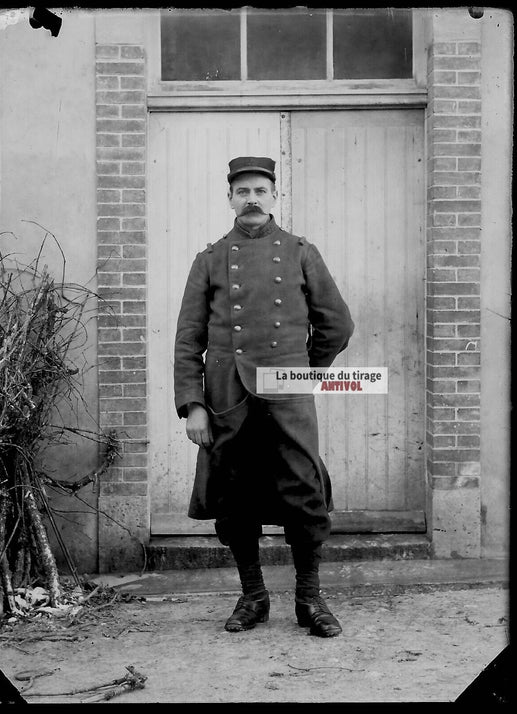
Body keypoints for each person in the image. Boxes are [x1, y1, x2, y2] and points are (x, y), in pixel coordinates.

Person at [174, 156, 354, 637]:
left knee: (303, 490)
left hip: (285, 395)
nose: (251, 198)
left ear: (274, 196)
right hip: (227, 396)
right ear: (229, 198)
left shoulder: (299, 252)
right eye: (242, 191)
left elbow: (337, 323)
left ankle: (310, 599)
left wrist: (303, 373)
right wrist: (193, 404)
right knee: (235, 496)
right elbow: (189, 339)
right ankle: (252, 596)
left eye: (260, 190)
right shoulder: (210, 259)